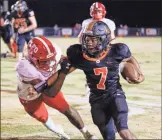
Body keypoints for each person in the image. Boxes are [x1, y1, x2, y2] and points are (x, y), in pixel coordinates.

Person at [66, 21, 144, 139]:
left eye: (93, 39)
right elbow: (66, 70)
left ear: (103, 39)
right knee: (109, 137)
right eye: (87, 39)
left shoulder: (117, 51)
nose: (89, 43)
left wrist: (139, 73)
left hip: (115, 95)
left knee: (123, 131)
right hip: (96, 100)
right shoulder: (80, 55)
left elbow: (129, 58)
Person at [16, 36, 97, 140]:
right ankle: (59, 132)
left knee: (67, 109)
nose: (49, 63)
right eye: (44, 61)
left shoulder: (54, 50)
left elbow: (66, 66)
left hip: (48, 86)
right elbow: (46, 89)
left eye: (50, 59)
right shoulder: (24, 66)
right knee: (43, 117)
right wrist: (64, 70)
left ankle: (87, 134)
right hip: (29, 94)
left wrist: (78, 62)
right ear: (32, 58)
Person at [78, 2, 117, 139]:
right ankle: (91, 86)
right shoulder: (87, 22)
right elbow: (80, 37)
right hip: (91, 51)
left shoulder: (108, 23)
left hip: (104, 52)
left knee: (109, 74)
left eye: (99, 12)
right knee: (91, 72)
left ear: (103, 12)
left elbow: (111, 38)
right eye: (95, 12)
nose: (97, 14)